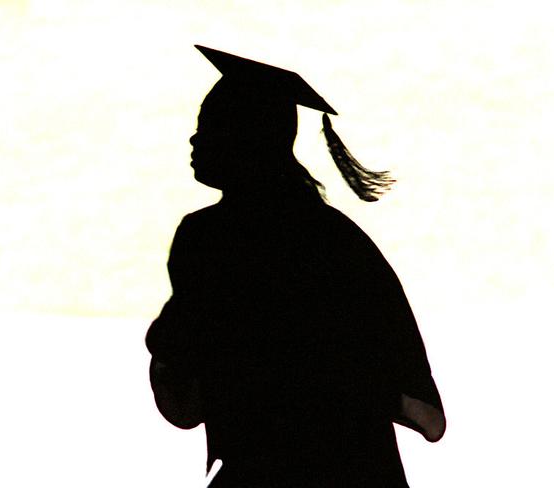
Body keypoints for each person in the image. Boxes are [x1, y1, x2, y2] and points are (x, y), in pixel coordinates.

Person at [146, 45, 446, 488]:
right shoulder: (340, 240)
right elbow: (425, 414)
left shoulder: (207, 239)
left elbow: (185, 404)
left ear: (247, 137)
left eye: (209, 126)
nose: (195, 140)